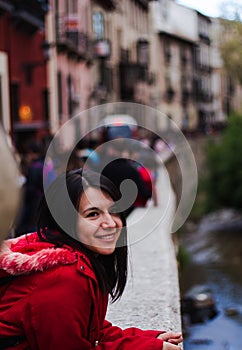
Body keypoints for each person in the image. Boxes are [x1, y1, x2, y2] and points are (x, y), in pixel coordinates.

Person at [0, 169, 183, 349]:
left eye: (114, 211)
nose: (111, 223)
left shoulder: (65, 252)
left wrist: (149, 339)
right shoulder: (63, 276)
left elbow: (90, 331)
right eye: (93, 214)